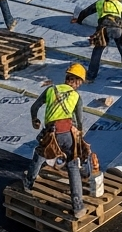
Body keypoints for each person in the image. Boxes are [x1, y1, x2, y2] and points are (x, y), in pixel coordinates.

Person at [24, 64, 88, 220]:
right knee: (73, 165)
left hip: (51, 132)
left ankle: (29, 182)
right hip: (67, 133)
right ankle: (78, 207)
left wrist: (35, 120)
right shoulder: (76, 96)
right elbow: (79, 119)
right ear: (78, 81)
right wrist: (79, 130)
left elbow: (35, 107)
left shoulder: (51, 90)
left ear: (67, 78)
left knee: (40, 155)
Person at [72, 0, 122, 80]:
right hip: (117, 29)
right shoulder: (119, 4)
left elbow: (85, 12)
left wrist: (79, 20)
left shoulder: (100, 2)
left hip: (103, 30)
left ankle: (91, 74)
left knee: (98, 50)